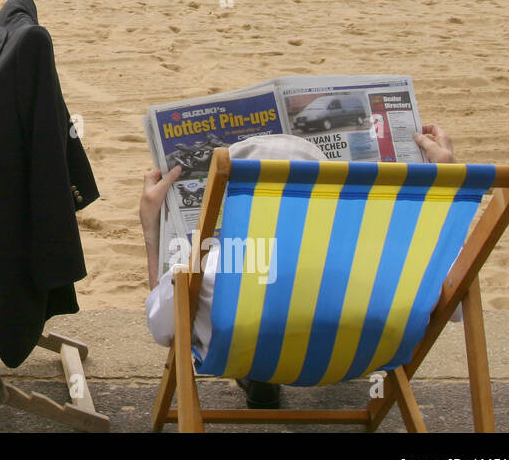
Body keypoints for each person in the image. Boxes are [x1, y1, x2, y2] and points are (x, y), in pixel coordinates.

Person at [139, 124, 458, 409]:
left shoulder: (218, 266)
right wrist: (448, 182)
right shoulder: (384, 260)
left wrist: (151, 228)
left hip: (249, 350)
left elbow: (162, 327)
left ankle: (260, 372)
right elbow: (454, 302)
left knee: (253, 320)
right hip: (360, 358)